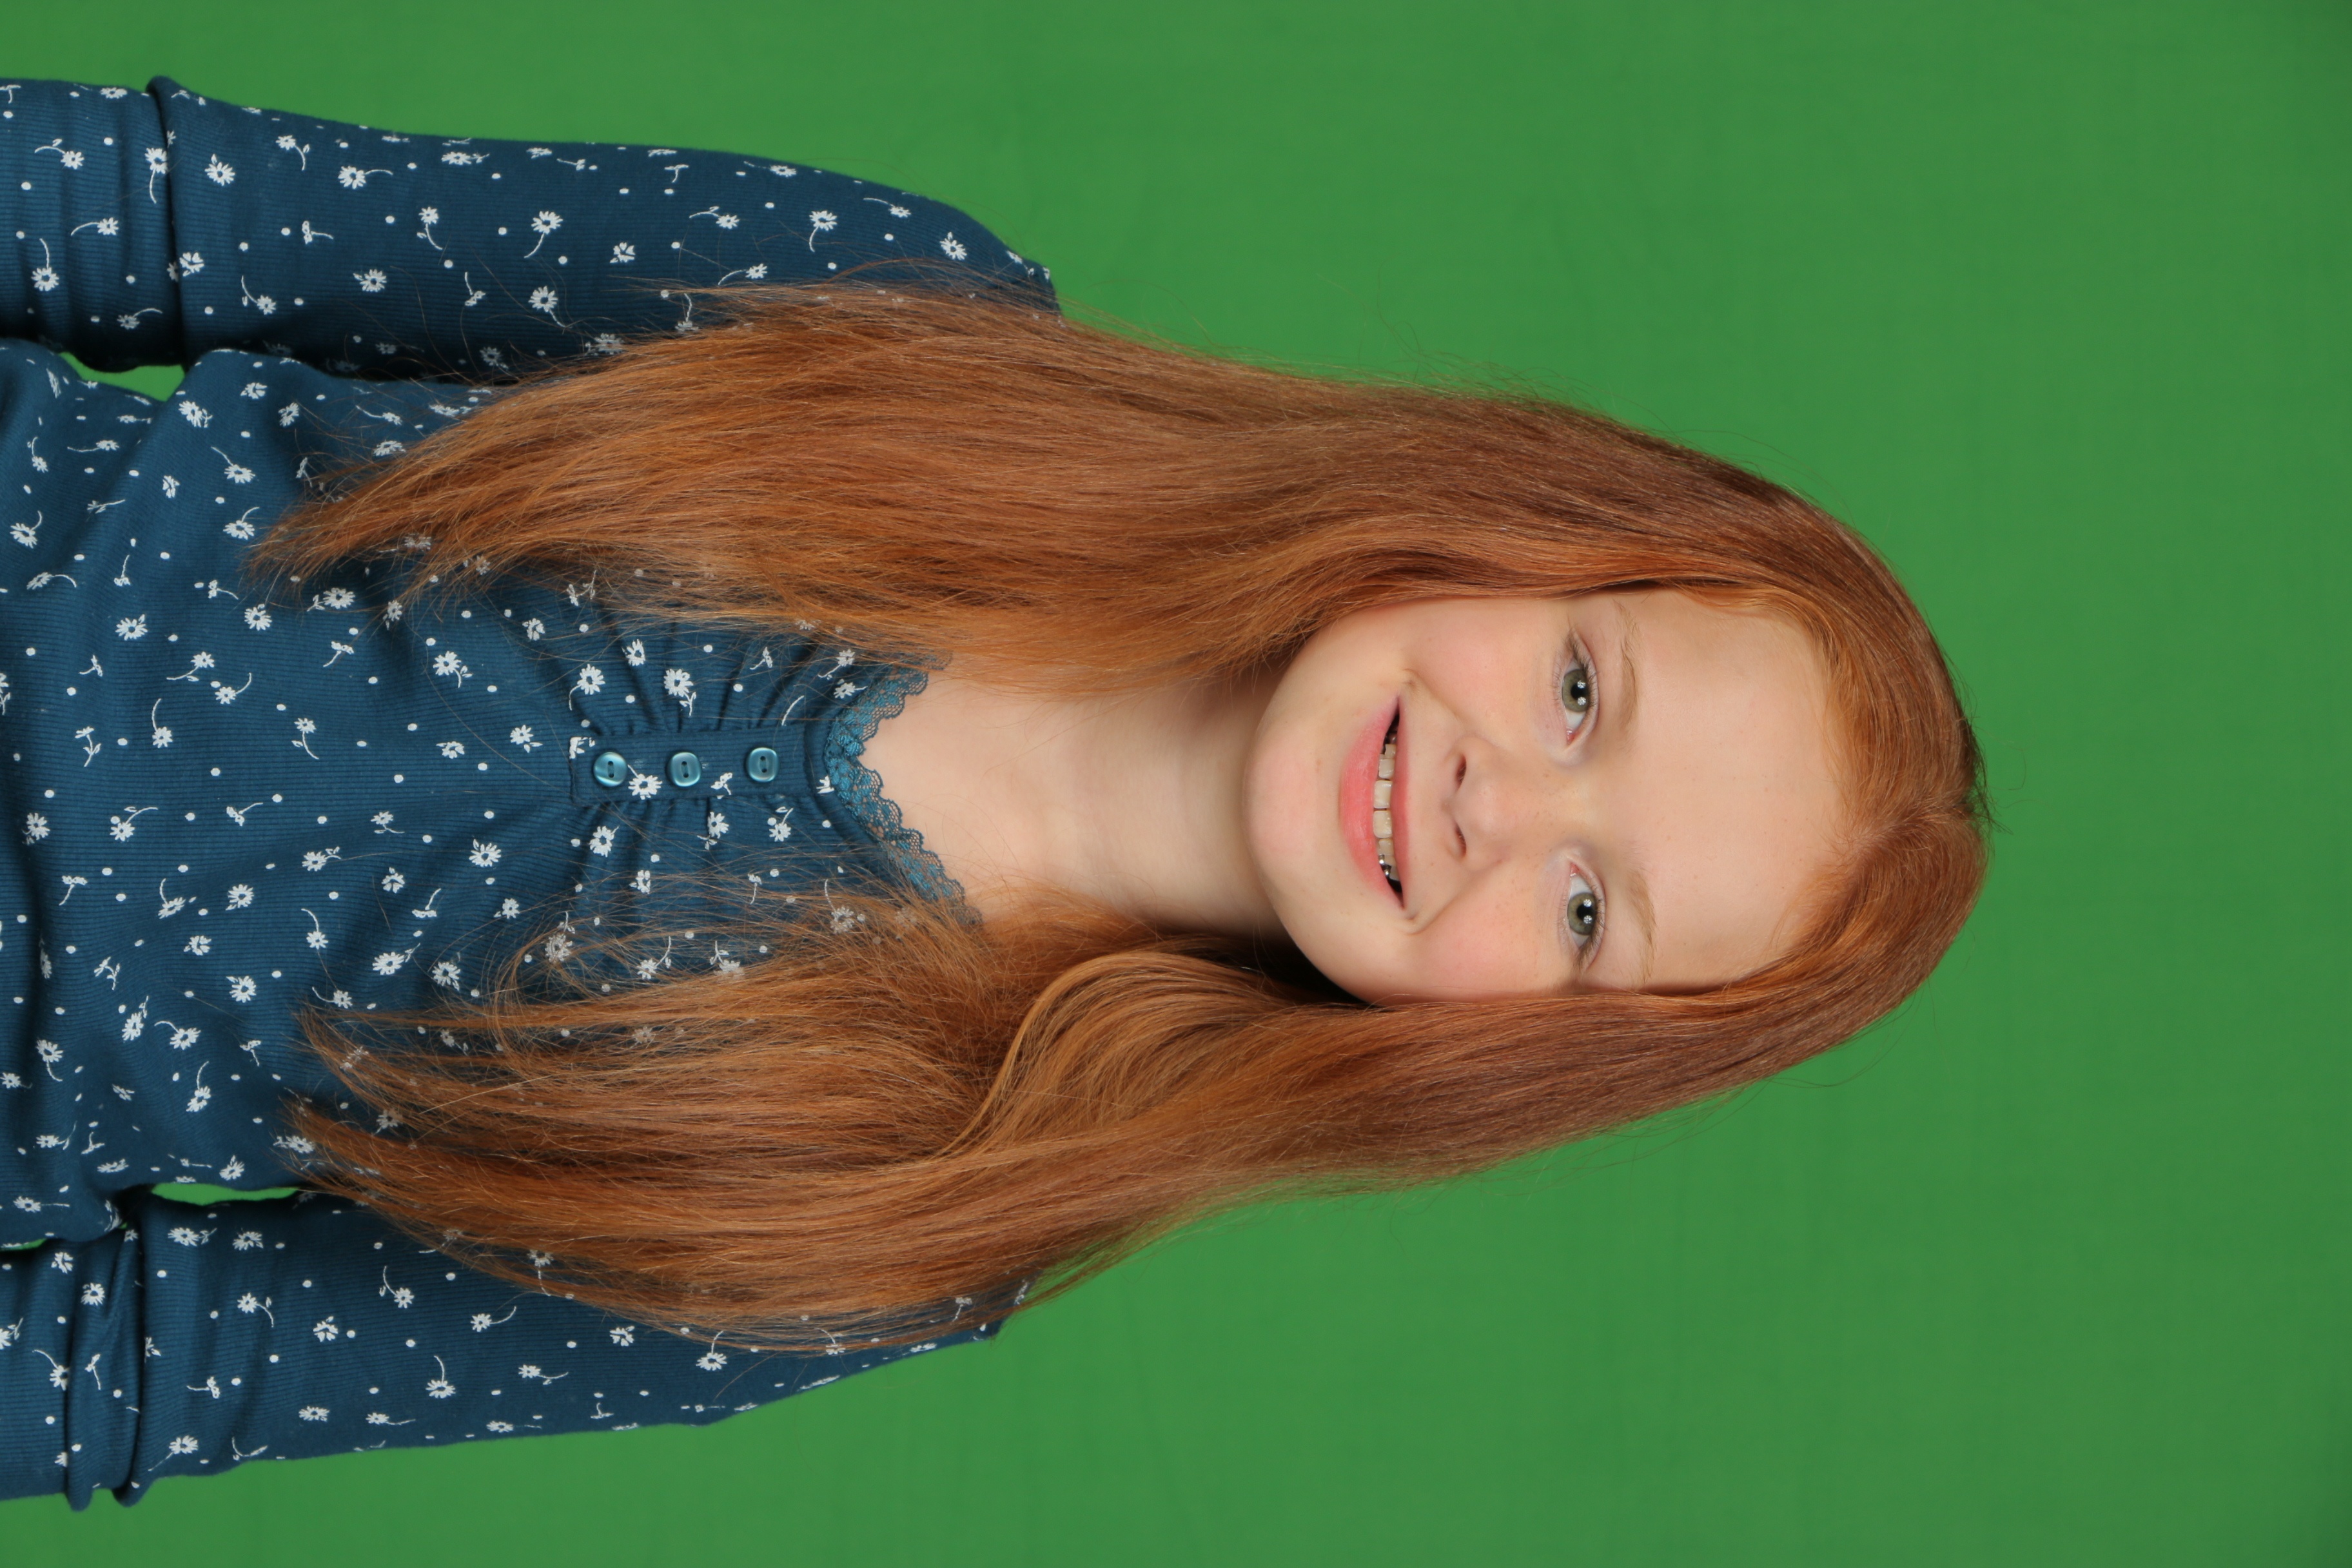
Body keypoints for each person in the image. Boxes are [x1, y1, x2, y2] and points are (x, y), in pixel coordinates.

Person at [0, 77, 1986, 1507]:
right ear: (1517, 529)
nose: (1498, 808)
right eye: (1575, 692)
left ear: (1523, 1053)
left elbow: (147, 1372)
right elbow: (169, 213)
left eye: (1587, 911)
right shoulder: (905, 316)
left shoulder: (910, 1223)